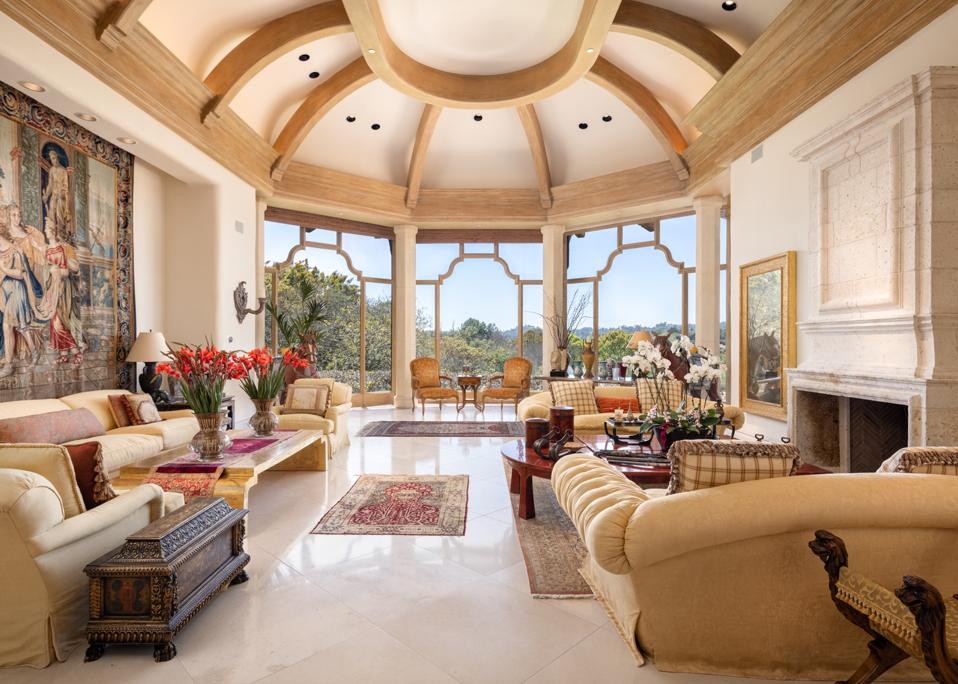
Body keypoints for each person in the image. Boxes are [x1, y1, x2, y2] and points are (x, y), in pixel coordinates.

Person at [0, 207, 44, 375]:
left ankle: (8, 365)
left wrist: (5, 269)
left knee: (7, 326)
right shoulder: (2, 252)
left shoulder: (15, 250)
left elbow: (20, 274)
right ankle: (34, 352)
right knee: (22, 327)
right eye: (13, 215)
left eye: (18, 215)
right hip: (6, 291)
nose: (17, 217)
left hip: (18, 290)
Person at [37, 216, 83, 364]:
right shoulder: (46, 249)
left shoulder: (65, 247)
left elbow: (75, 268)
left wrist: (62, 267)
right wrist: (50, 270)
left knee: (61, 319)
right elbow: (44, 271)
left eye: (47, 228)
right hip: (52, 289)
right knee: (55, 321)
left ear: (54, 230)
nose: (45, 231)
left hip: (64, 290)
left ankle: (76, 351)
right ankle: (64, 353)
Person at [41, 149, 71, 238]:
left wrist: (62, 194)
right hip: (54, 196)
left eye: (53, 158)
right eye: (51, 159)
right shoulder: (51, 170)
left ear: (57, 158)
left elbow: (66, 186)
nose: (52, 161)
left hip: (61, 197)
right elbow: (50, 185)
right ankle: (53, 235)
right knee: (51, 214)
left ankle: (61, 234)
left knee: (59, 215)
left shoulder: (63, 171)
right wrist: (46, 195)